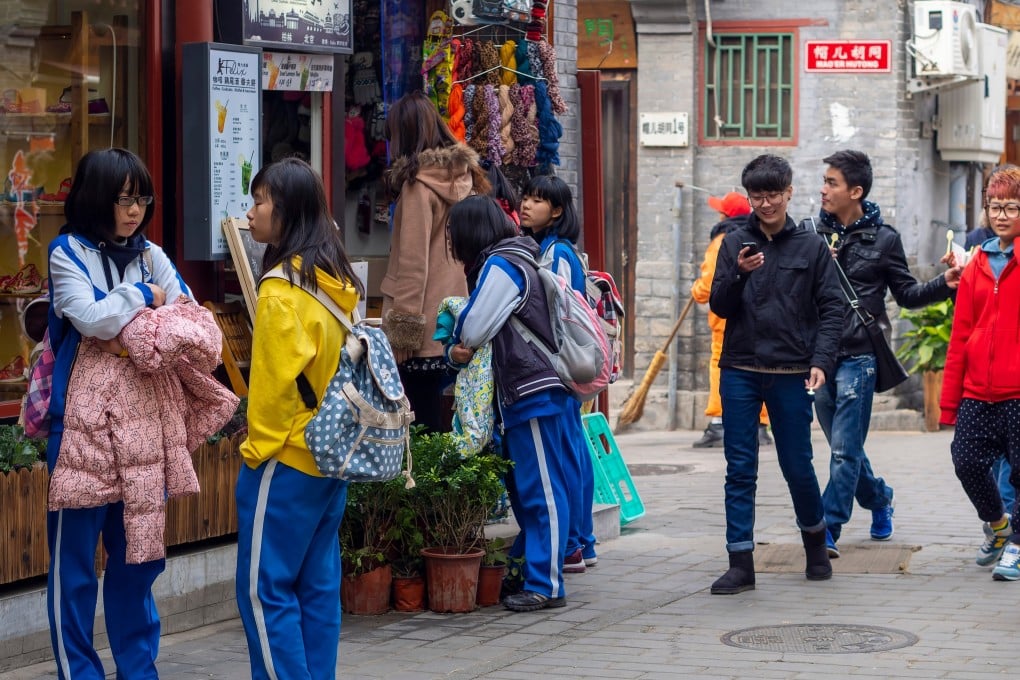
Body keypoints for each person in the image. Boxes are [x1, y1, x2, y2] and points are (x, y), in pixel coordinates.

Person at [45, 148, 193, 679]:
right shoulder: (67, 252)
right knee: (76, 571)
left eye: (142, 198)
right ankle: (78, 672)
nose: (135, 210)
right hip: (79, 435)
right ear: (95, 197)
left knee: (138, 560)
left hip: (143, 435)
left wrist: (123, 330)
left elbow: (187, 322)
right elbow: (86, 318)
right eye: (124, 198)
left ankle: (138, 670)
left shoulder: (152, 252)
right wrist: (140, 296)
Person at [235, 158, 364, 677]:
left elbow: (269, 393)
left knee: (264, 593)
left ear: (285, 212)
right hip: (333, 457)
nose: (250, 213)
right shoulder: (337, 280)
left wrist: (256, 451)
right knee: (317, 589)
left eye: (260, 201)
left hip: (286, 459)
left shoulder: (280, 290)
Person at [803, 150, 961, 558]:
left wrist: (945, 282)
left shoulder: (885, 238)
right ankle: (880, 497)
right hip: (819, 358)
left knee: (842, 449)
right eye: (823, 180)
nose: (823, 189)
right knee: (846, 446)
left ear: (855, 191)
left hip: (860, 356)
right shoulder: (810, 235)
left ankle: (827, 528)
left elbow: (906, 295)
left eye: (832, 183)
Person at [708, 154, 844, 594]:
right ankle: (740, 563)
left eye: (772, 195)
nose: (765, 204)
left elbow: (832, 309)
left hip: (790, 370)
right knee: (739, 467)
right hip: (740, 369)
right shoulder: (735, 242)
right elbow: (719, 306)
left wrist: (821, 362)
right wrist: (739, 277)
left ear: (788, 192)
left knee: (797, 465)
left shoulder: (811, 246)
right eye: (757, 196)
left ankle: (816, 546)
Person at [446, 194, 585, 612]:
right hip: (533, 391)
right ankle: (530, 573)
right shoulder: (520, 256)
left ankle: (547, 585)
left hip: (534, 391)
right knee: (532, 490)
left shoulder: (503, 264)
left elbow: (472, 328)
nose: (451, 241)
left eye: (453, 232)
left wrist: (456, 343)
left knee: (540, 491)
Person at [381, 90, 490, 433]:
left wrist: (402, 335)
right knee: (452, 426)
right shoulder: (468, 178)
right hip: (458, 320)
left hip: (423, 329)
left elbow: (412, 266)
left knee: (421, 432)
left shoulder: (418, 186)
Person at [940, 164, 1020, 581]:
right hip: (978, 390)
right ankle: (1000, 526)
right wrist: (950, 401)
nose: (1002, 215)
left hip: (1018, 391)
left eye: (1011, 206)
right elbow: (961, 335)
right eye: (994, 207)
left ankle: (1018, 546)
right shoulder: (978, 262)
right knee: (966, 460)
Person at [519, 173, 597, 575]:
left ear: (558, 210)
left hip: (558, 365)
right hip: (563, 366)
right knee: (571, 449)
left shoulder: (556, 254)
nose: (526, 205)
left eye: (537, 200)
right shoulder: (552, 248)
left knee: (564, 455)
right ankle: (581, 540)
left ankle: (572, 544)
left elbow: (557, 314)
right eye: (526, 197)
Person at [691, 191, 771, 449]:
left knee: (720, 365)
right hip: (759, 319)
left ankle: (718, 423)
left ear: (725, 215)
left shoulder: (721, 242)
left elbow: (706, 289)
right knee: (761, 367)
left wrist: (695, 290)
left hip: (725, 321)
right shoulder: (762, 239)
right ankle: (760, 426)